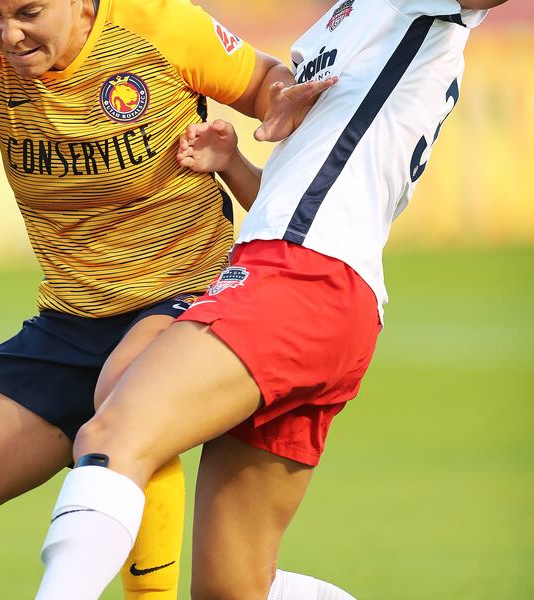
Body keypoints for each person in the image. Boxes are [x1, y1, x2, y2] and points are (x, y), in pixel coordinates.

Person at [0, 0, 343, 598]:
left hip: (190, 297)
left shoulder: (158, 25)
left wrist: (277, 101)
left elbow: (264, 82)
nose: (9, 32)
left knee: (123, 401)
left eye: (28, 12)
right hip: (69, 318)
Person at [34, 0, 510, 599]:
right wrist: (234, 164)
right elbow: (305, 193)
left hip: (302, 280)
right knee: (234, 590)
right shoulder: (345, 18)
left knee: (112, 433)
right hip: (315, 284)